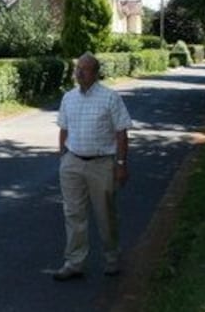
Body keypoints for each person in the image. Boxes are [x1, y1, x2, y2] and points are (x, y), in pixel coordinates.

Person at [53, 53, 133, 281]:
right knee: (73, 213)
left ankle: (111, 258)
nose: (79, 73)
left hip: (102, 164)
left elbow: (121, 132)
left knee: (105, 214)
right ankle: (74, 262)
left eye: (84, 69)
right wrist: (63, 157)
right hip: (72, 163)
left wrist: (120, 163)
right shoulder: (68, 98)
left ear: (96, 73)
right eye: (77, 68)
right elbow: (63, 129)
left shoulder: (110, 98)